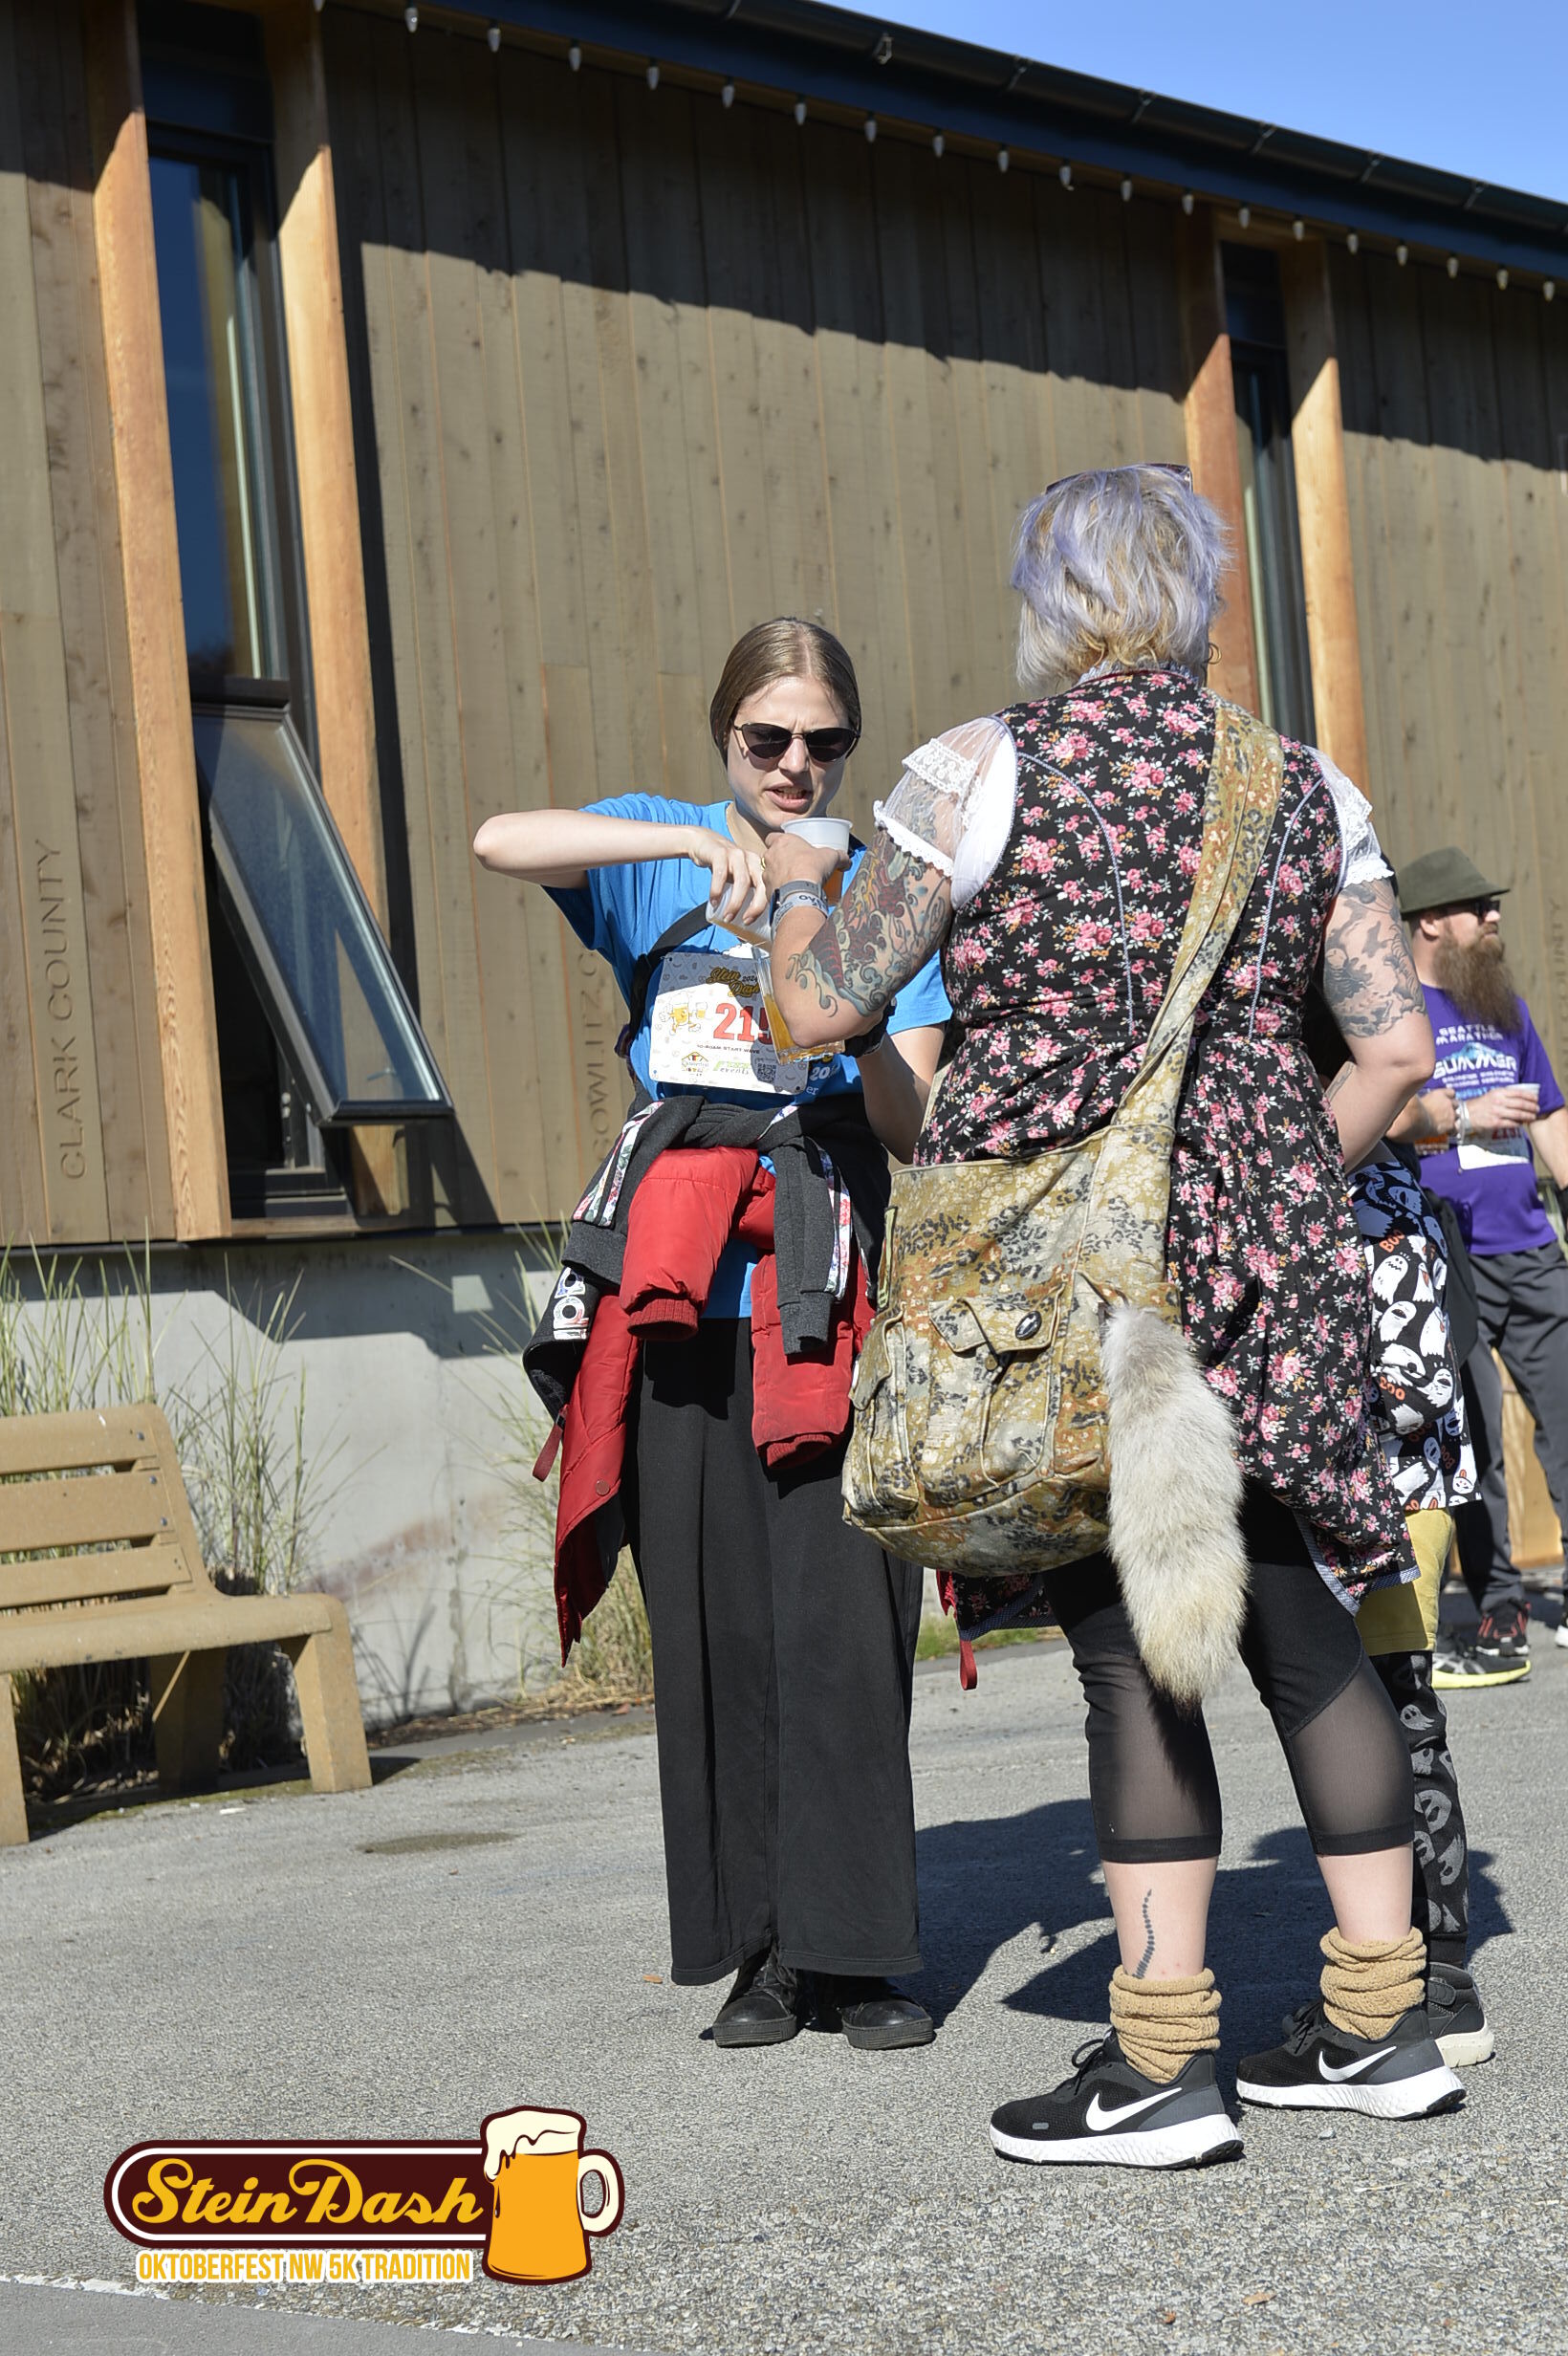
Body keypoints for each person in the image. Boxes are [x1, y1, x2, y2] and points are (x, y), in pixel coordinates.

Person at [761, 466, 1462, 2167]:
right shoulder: (1305, 785)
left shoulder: (976, 768)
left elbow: (819, 1008)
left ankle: (1159, 2065)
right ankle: (1384, 2025)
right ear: (1196, 602)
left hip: (1071, 1270)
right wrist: (1274, 1183)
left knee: (1131, 1649)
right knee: (1301, 1626)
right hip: (1270, 1260)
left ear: (1052, 604)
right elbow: (1394, 1050)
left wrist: (793, 883)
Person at [473, 618, 948, 2054]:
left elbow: (911, 1122)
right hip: (682, 1307)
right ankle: (763, 1955)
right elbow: (499, 840)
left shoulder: (885, 887)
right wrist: (691, 848)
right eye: (767, 738)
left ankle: (861, 1955)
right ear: (725, 732)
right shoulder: (656, 849)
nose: (795, 764)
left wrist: (848, 988)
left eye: (824, 741)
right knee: (716, 1627)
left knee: (843, 1629)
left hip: (829, 1298)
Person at [1302, 993, 1492, 2066]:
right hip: (1351, 1497)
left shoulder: (1373, 1189)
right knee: (1371, 1712)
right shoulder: (1361, 1181)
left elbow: (1414, 1381)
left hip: (1388, 1499)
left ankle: (1441, 1971)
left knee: (1399, 1712)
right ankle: (1404, 1955)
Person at [1388, 849, 1568, 1686]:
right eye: (1476, 907)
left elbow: (1550, 1119)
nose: (1493, 918)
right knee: (1479, 1442)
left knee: (1565, 1419)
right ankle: (1501, 1610)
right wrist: (1467, 1116)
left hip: (1529, 1251)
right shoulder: (1396, 1017)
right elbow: (1385, 1117)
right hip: (1446, 1259)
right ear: (1431, 920)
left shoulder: (1504, 1008)